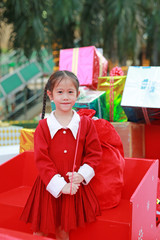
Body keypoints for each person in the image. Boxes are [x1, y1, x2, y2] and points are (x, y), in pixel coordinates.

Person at [20, 70, 102, 240]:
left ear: (77, 95)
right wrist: (60, 186)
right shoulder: (43, 126)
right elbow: (42, 160)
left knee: (63, 231)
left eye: (70, 92)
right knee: (40, 231)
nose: (65, 97)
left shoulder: (86, 124)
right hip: (48, 186)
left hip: (74, 185)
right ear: (50, 95)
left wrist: (82, 175)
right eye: (60, 92)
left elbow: (94, 154)